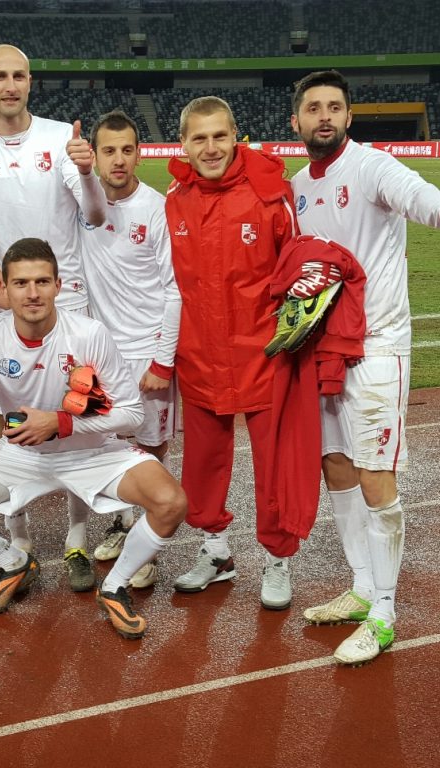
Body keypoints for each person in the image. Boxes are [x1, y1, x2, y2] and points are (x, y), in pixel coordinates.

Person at [289, 70, 440, 664]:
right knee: (336, 465)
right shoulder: (297, 186)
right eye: (313, 108)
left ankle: (384, 612)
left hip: (376, 348)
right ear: (296, 121)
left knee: (376, 474)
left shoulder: (372, 166)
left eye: (335, 107)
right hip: (320, 352)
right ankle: (359, 587)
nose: (324, 116)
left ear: (349, 118)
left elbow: (417, 195)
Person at [0, 238, 186, 639]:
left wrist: (60, 423)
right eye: (20, 283)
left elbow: (133, 414)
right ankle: (11, 560)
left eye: (41, 282)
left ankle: (116, 586)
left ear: (58, 284)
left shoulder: (88, 334)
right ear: (4, 287)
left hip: (90, 453)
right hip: (21, 456)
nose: (32, 293)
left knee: (171, 503)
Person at [0, 43, 109, 588]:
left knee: (78, 420)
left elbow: (92, 212)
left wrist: (87, 173)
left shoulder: (63, 136)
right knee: (9, 422)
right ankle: (17, 542)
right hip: (7, 304)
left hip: (71, 298)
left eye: (19, 76)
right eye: (0, 77)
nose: (10, 85)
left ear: (30, 82)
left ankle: (78, 539)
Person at [165, 96, 299, 610]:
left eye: (220, 136)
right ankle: (216, 551)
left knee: (274, 464)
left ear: (236, 136)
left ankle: (277, 556)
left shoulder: (271, 193)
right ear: (183, 145)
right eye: (199, 138)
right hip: (199, 355)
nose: (211, 147)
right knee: (202, 462)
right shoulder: (174, 199)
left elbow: (297, 274)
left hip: (263, 355)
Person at [79, 110, 181, 588]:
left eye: (127, 149)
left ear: (139, 152)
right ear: (94, 155)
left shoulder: (157, 208)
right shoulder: (80, 205)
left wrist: (163, 360)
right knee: (105, 445)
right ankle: (123, 524)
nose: (119, 160)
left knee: (150, 451)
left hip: (147, 354)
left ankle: (147, 549)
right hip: (99, 356)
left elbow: (174, 290)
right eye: (109, 150)